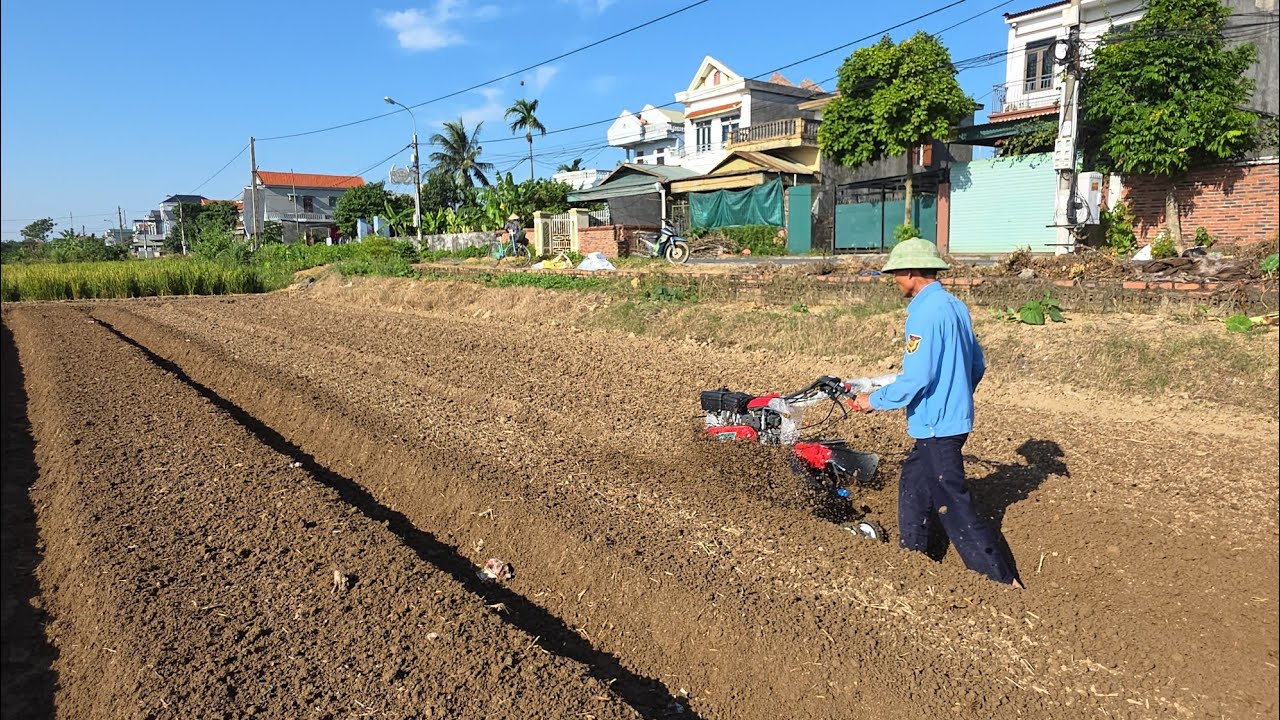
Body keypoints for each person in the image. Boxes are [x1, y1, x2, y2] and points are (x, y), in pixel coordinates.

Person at [851, 238, 1023, 589]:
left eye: (897, 274)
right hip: (953, 418)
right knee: (913, 483)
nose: (895, 281)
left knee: (953, 503)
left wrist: (873, 401)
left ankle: (1001, 581)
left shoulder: (923, 314)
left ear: (911, 273)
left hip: (935, 425)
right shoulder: (956, 307)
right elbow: (976, 364)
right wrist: (956, 394)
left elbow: (917, 377)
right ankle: (913, 556)